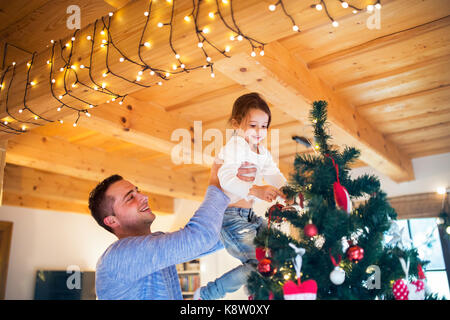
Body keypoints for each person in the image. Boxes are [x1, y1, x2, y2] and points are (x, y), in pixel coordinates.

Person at [88, 160, 256, 299]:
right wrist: (217, 181)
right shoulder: (118, 257)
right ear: (112, 220)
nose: (143, 197)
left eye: (137, 191)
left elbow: (212, 238)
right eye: (130, 197)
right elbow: (199, 238)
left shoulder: (154, 245)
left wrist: (242, 200)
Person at [195, 92, 287, 300]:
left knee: (277, 251)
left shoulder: (262, 152)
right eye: (253, 125)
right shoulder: (234, 147)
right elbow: (226, 179)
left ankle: (258, 294)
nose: (259, 131)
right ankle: (208, 294)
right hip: (231, 218)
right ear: (237, 124)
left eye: (264, 126)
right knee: (258, 263)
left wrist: (287, 193)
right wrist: (256, 190)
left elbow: (273, 173)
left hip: (248, 216)